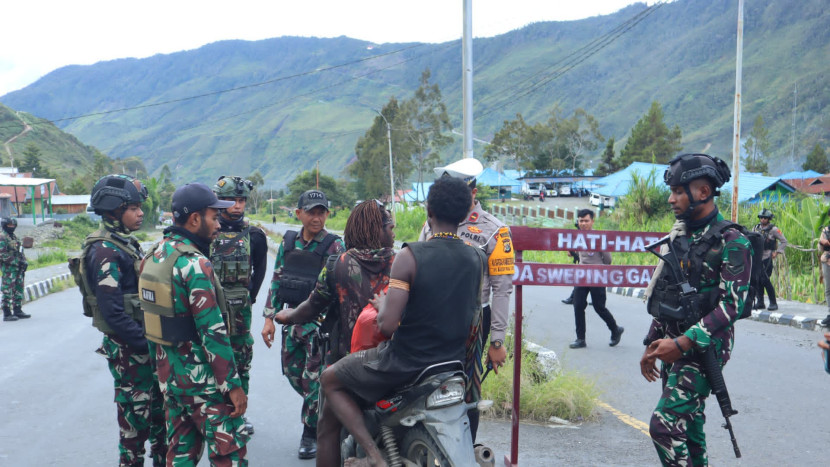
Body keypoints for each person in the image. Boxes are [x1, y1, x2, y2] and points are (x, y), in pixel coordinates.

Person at [315, 176, 486, 467]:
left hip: (404, 364)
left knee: (329, 380)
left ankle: (372, 454)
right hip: (453, 364)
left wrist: (383, 306)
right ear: (466, 212)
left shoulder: (409, 256)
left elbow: (387, 326)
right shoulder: (477, 258)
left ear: (428, 211)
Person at [640, 153, 752, 466]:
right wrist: (652, 342)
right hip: (673, 342)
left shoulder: (733, 242)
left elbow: (733, 304)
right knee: (689, 429)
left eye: (678, 191)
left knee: (664, 426)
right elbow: (668, 292)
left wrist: (684, 342)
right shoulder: (680, 236)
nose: (671, 198)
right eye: (672, 190)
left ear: (702, 192)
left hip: (707, 347)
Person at [139, 183, 249, 465]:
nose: (218, 224)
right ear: (195, 219)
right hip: (204, 385)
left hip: (171, 381)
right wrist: (232, 386)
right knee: (231, 454)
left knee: (180, 457)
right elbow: (213, 333)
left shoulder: (153, 257)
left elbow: (152, 326)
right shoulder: (195, 264)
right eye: (214, 217)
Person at [418, 157, 513, 440]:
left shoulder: (494, 230)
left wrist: (497, 340)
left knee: (468, 390)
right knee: (427, 384)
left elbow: (502, 289)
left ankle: (466, 451)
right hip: (432, 318)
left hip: (473, 321)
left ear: (472, 192)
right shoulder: (431, 223)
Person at [75, 175, 166, 466]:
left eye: (140, 207)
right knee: (134, 427)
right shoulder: (105, 252)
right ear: (113, 209)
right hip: (131, 353)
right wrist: (147, 345)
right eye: (133, 208)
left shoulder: (123, 244)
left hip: (143, 348)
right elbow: (113, 311)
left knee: (160, 420)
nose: (141, 213)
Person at [260, 189, 345, 459]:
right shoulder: (288, 242)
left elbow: (341, 286)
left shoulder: (334, 245)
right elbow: (277, 279)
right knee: (292, 373)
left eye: (322, 212)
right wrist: (269, 318)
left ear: (328, 214)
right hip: (291, 323)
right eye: (311, 211)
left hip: (319, 327)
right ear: (299, 214)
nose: (317, 217)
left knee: (314, 380)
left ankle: (310, 433)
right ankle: (320, 413)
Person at [209, 176, 268, 434]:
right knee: (211, 360)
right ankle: (213, 412)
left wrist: (249, 298)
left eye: (241, 200)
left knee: (241, 361)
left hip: (241, 313)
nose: (236, 205)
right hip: (211, 310)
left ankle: (239, 415)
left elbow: (260, 271)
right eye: (231, 200)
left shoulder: (254, 235)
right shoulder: (207, 232)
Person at [568, 208, 624, 349]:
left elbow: (608, 259)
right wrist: (572, 253)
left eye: (586, 221)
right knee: (578, 305)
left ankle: (615, 329)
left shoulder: (599, 237)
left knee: (599, 307)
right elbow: (577, 254)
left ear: (592, 221)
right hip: (582, 275)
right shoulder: (577, 236)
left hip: (597, 275)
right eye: (581, 221)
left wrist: (598, 269)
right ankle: (580, 339)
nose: (583, 224)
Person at [752, 209, 787, 311]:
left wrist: (777, 252)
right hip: (757, 257)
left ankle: (773, 303)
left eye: (765, 218)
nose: (763, 219)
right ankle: (760, 302)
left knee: (765, 280)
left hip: (767, 257)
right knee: (758, 280)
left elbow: (784, 241)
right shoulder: (755, 228)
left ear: (769, 219)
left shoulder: (774, 229)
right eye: (761, 217)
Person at [0, 217, 30, 321]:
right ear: (4, 226)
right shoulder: (2, 237)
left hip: (17, 268)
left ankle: (18, 310)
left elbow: (19, 251)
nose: (12, 227)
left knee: (19, 288)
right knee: (7, 290)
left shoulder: (13, 237)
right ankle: (7, 313)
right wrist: (17, 262)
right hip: (8, 269)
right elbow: (2, 255)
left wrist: (24, 261)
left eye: (13, 226)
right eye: (9, 226)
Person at [820, 220, 830, 327]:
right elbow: (820, 248)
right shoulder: (826, 230)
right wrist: (823, 243)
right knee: (828, 289)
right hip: (827, 261)